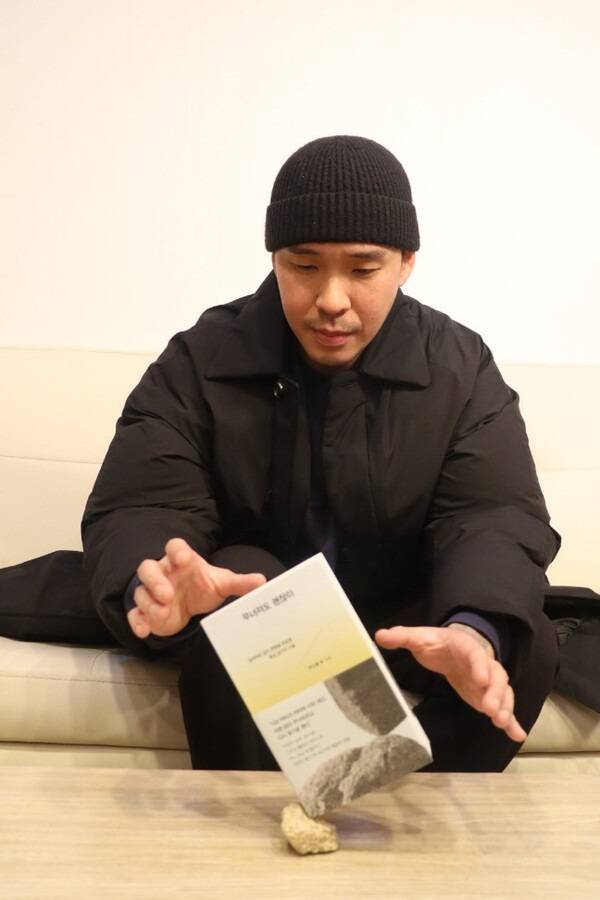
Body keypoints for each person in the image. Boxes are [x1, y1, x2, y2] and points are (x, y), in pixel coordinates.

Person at [81, 135, 559, 772]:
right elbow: (144, 501)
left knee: (519, 635)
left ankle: (399, 810)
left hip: (400, 619)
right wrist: (160, 590)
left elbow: (492, 515)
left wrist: (472, 628)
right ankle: (265, 819)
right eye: (304, 267)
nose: (332, 299)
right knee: (248, 583)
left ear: (406, 262)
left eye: (362, 270)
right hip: (268, 623)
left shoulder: (459, 367)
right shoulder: (201, 360)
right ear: (275, 260)